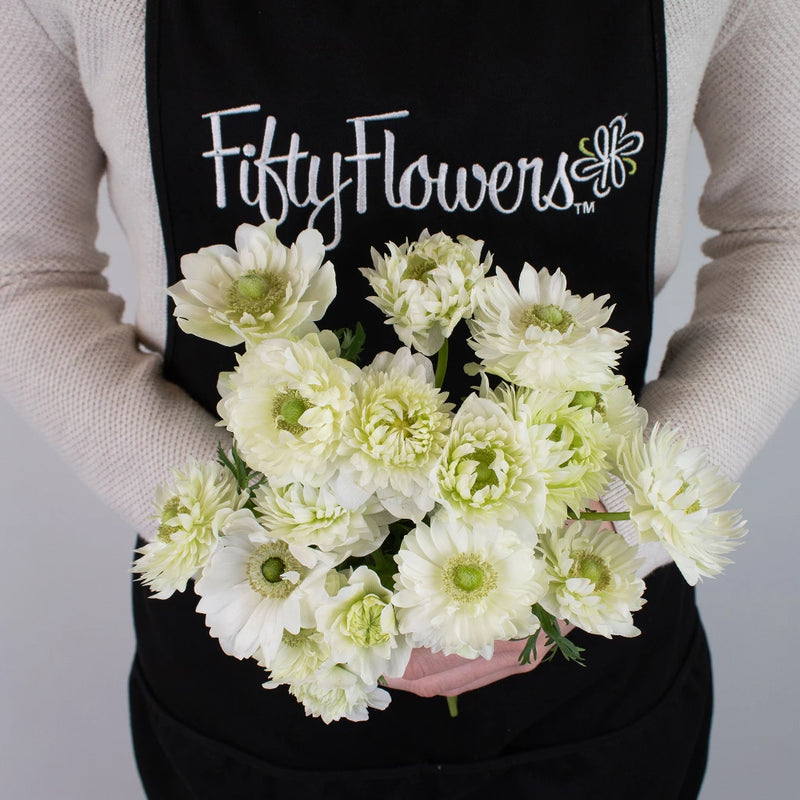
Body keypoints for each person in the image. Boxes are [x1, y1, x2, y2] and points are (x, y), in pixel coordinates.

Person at [1, 1, 798, 798]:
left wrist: (606, 534)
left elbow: (782, 224)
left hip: (595, 676)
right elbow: (25, 273)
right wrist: (254, 547)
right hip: (257, 671)